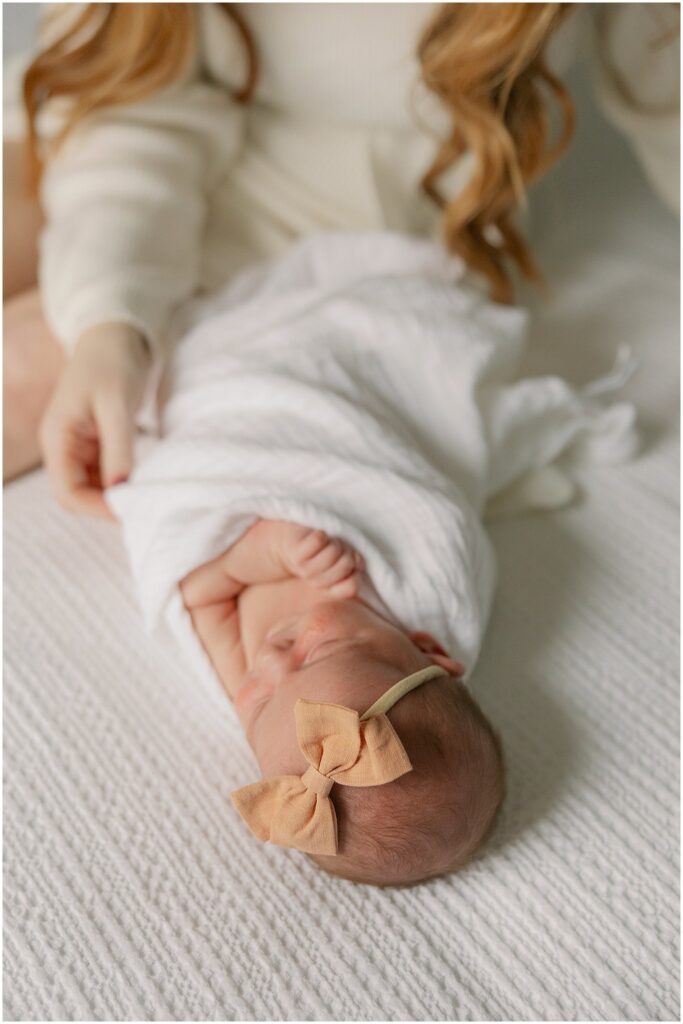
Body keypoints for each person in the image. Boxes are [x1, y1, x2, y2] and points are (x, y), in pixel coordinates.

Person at [3, 3, 679, 511]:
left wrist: (106, 327)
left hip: (337, 213)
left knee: (42, 374)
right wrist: (109, 307)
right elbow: (131, 102)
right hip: (118, 127)